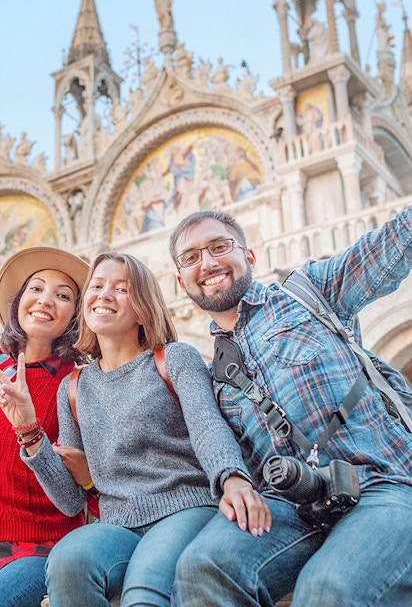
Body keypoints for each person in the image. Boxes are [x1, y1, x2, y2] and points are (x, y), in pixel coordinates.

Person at [168, 208, 412, 607]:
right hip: (295, 506)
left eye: (219, 247)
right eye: (191, 257)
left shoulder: (310, 293)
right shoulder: (215, 376)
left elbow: (393, 244)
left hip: (382, 484)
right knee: (203, 566)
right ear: (181, 281)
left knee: (328, 588)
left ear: (249, 256)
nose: (208, 263)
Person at [0, 251, 271, 607]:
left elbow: (207, 426)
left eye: (122, 288)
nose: (104, 294)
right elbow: (69, 501)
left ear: (144, 305)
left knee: (143, 590)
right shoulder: (76, 386)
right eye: (97, 286)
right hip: (117, 525)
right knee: (68, 561)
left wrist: (232, 477)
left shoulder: (174, 357)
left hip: (184, 509)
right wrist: (29, 432)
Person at [0, 246, 89, 607]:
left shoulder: (77, 385)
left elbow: (73, 501)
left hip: (39, 550)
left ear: (74, 317)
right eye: (35, 288)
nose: (45, 300)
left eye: (63, 295)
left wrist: (29, 429)